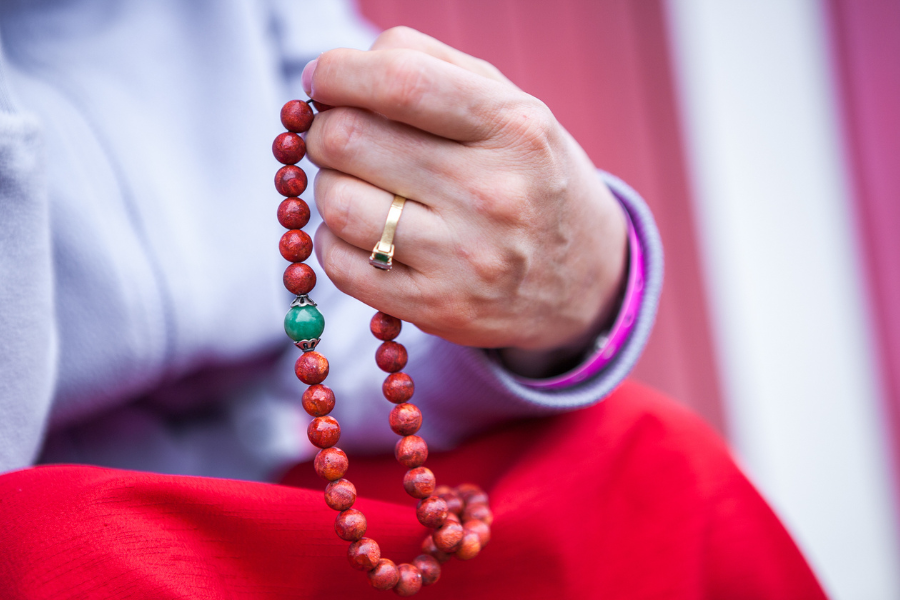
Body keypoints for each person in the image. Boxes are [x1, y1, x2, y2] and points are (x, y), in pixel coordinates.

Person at [0, 1, 825, 598]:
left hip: (278, 465)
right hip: (53, 531)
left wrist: (568, 296)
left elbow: (347, 305)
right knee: (59, 542)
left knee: (645, 453)